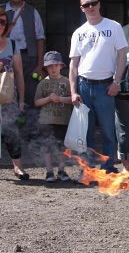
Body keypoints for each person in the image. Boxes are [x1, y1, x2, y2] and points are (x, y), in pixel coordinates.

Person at [69, 0, 128, 173]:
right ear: (81, 8)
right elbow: (73, 63)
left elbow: (122, 55)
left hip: (106, 86)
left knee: (108, 131)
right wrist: (73, 91)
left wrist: (117, 82)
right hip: (84, 86)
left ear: (99, 4)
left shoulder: (114, 26)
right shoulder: (79, 32)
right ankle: (87, 170)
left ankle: (108, 168)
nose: (91, 7)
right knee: (85, 133)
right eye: (86, 5)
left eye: (93, 3)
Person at [1, 0, 45, 108]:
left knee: (30, 92)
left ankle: (26, 124)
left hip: (28, 57)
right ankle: (9, 122)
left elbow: (40, 38)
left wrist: (40, 64)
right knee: (6, 89)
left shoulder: (32, 11)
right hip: (6, 57)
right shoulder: (1, 11)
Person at [34, 51, 73, 182]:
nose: (53, 68)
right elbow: (37, 102)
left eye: (56, 65)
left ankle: (61, 171)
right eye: (50, 66)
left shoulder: (67, 81)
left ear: (61, 66)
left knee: (63, 146)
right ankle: (49, 172)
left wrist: (60, 99)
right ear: (46, 68)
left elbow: (73, 99)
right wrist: (49, 98)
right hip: (46, 121)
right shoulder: (42, 83)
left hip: (63, 120)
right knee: (47, 146)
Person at [0, 7, 27, 179]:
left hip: (9, 96)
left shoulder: (13, 44)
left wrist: (22, 100)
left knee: (11, 131)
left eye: (2, 21)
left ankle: (18, 167)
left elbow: (19, 73)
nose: (0, 25)